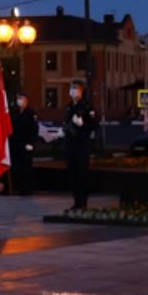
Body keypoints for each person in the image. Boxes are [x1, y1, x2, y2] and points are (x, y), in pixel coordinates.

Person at [62, 82, 97, 211]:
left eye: (75, 88)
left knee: (82, 174)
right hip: (70, 146)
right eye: (71, 88)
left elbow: (94, 125)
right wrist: (63, 130)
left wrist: (83, 126)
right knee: (73, 175)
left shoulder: (87, 107)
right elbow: (67, 123)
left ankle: (83, 203)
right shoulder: (69, 106)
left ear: (81, 91)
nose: (72, 91)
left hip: (82, 146)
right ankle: (76, 202)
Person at [6, 91, 38, 196]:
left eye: (21, 98)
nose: (19, 101)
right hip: (16, 145)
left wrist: (31, 143)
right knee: (18, 167)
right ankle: (19, 188)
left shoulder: (31, 113)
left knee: (26, 167)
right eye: (18, 99)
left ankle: (27, 189)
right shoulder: (15, 113)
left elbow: (34, 129)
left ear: (26, 100)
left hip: (26, 145)